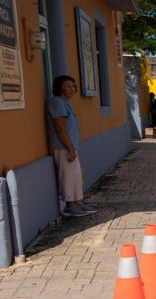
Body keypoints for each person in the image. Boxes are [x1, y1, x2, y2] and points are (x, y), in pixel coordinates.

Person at [46, 76, 97, 217]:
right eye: (68, 86)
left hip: (70, 146)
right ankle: (70, 205)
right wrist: (69, 148)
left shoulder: (65, 103)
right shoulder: (57, 102)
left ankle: (78, 202)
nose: (72, 88)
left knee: (76, 175)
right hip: (63, 147)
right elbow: (60, 128)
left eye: (73, 86)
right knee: (68, 176)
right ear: (59, 88)